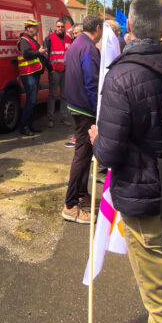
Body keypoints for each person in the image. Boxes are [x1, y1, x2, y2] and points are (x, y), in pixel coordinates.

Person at [91, 0, 162, 323]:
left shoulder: (121, 74)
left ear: (130, 28)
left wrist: (95, 139)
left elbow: (109, 152)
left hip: (143, 200)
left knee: (161, 304)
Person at [61, 14, 102, 224]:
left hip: (76, 104)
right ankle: (70, 205)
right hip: (85, 108)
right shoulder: (88, 48)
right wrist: (99, 109)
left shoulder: (77, 43)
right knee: (82, 154)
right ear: (97, 28)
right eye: (102, 30)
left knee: (85, 155)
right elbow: (91, 81)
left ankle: (80, 193)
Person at [16, 20, 46, 137]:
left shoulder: (31, 40)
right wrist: (39, 53)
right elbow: (26, 54)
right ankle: (24, 127)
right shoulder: (24, 41)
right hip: (28, 74)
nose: (37, 29)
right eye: (35, 27)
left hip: (34, 73)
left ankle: (29, 125)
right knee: (30, 101)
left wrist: (42, 54)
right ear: (29, 28)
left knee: (33, 101)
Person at [42, 19, 72, 127]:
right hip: (55, 72)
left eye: (62, 27)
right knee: (52, 95)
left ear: (64, 28)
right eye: (58, 26)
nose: (60, 28)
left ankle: (63, 117)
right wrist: (50, 69)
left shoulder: (69, 39)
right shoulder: (49, 38)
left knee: (64, 96)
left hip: (65, 71)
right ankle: (50, 119)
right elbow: (45, 55)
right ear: (55, 27)